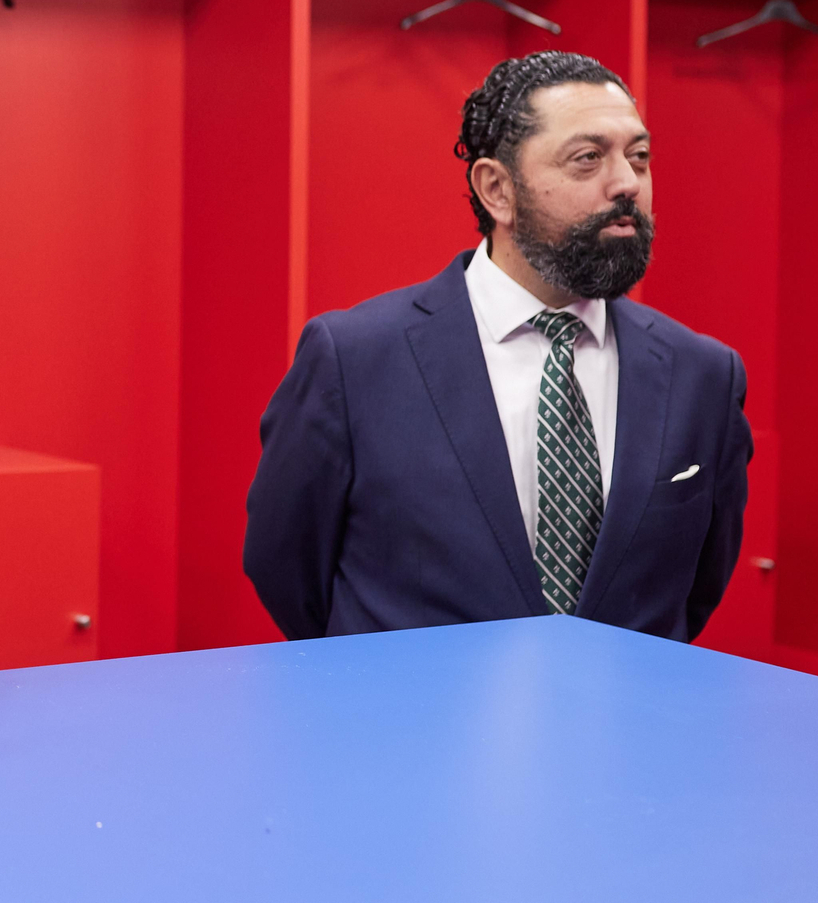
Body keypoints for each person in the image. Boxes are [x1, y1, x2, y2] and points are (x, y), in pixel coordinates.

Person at [244, 51, 750, 643]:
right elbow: (287, 570)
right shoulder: (354, 359)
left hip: (620, 729)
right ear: (497, 190)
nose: (626, 183)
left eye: (638, 156)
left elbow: (695, 590)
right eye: (588, 159)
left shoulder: (703, 375)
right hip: (408, 728)